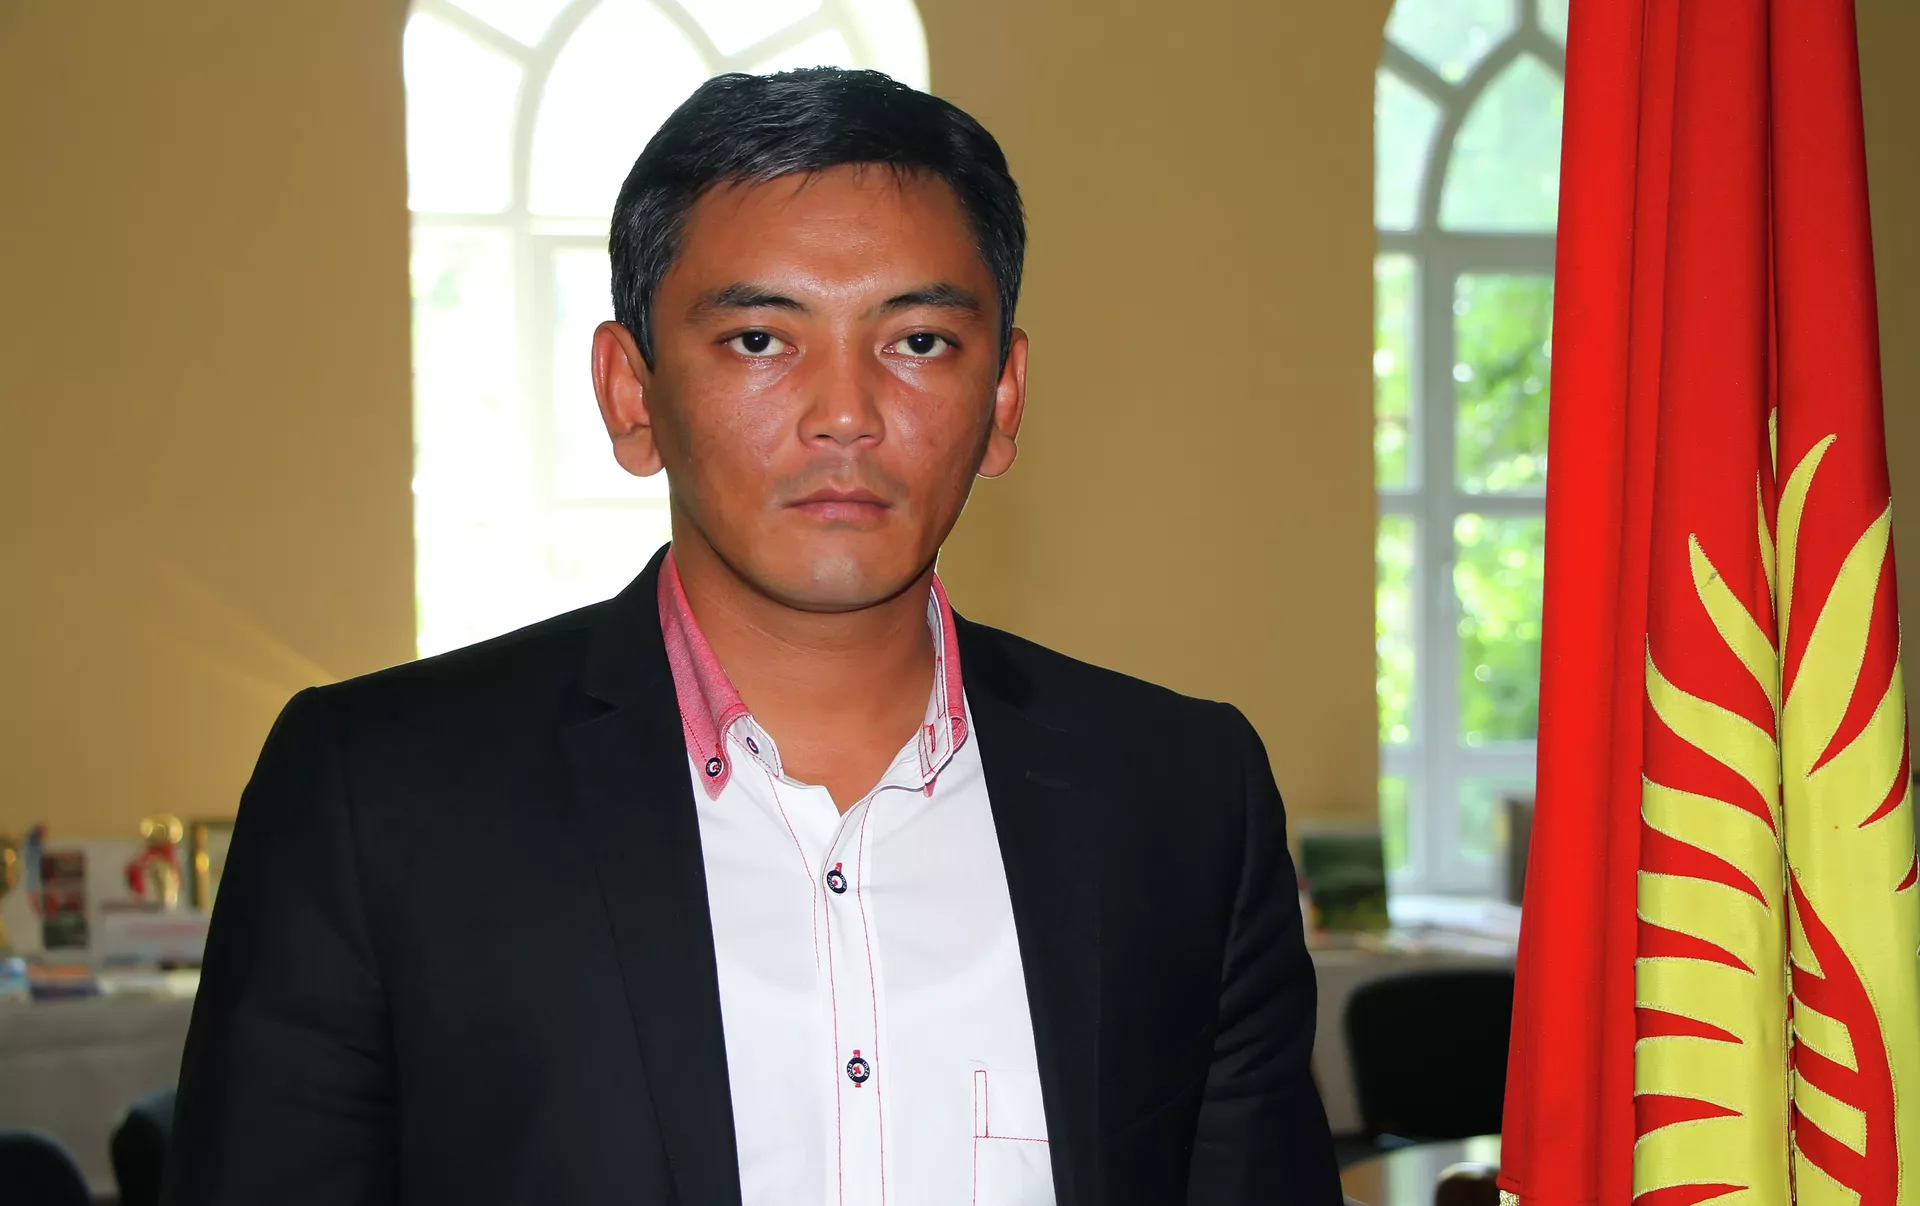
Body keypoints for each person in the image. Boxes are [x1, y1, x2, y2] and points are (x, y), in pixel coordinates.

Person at [163, 68, 1339, 1206]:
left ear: (1003, 399)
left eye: (919, 342)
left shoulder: (1181, 800)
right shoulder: (381, 799)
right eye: (760, 341)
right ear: (632, 393)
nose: (846, 415)